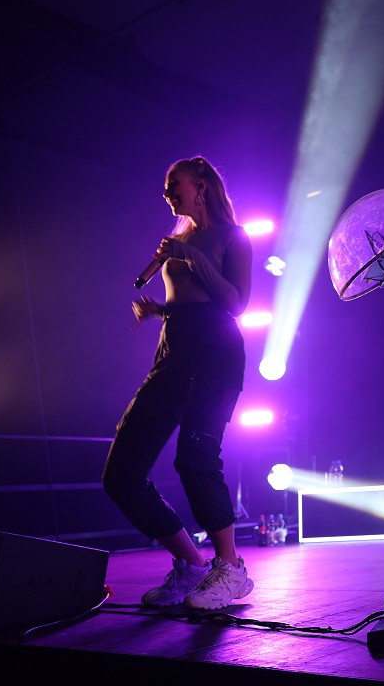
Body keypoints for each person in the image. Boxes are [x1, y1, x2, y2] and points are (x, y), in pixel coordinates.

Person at [102, 156, 255, 610]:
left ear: (202, 186)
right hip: (172, 352)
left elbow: (236, 302)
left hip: (216, 354)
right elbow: (187, 301)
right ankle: (191, 566)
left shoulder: (233, 237)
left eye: (175, 184)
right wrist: (159, 310)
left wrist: (192, 257)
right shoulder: (180, 238)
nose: (167, 192)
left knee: (195, 458)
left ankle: (231, 568)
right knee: (121, 474)